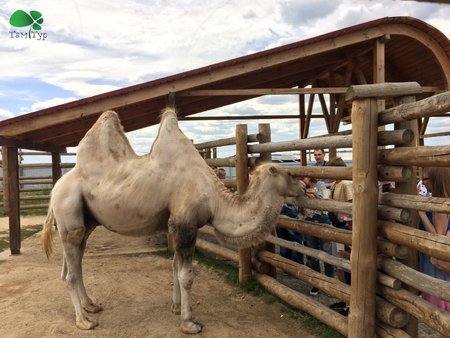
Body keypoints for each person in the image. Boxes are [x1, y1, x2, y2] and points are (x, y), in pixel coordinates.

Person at [418, 166, 450, 312]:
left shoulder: (440, 205)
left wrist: (422, 214)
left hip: (435, 264)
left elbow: (438, 237)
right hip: (438, 261)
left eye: (425, 178)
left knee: (438, 306)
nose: (422, 182)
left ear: (436, 180)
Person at [326, 157, 353, 316]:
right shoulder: (336, 184)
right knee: (341, 265)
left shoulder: (345, 183)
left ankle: (350, 302)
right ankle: (345, 298)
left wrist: (346, 221)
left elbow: (352, 204)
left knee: (346, 262)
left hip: (345, 226)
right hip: (338, 225)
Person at [301, 176, 334, 296]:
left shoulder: (320, 185)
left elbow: (325, 201)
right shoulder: (299, 189)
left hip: (322, 219)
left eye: (305, 177)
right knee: (312, 253)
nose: (303, 179)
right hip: (308, 220)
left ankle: (329, 283)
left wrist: (314, 195)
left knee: (327, 252)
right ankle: (316, 283)